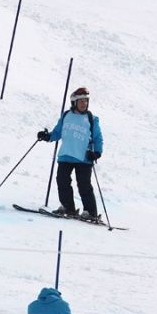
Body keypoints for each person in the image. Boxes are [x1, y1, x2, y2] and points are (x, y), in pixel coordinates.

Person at [37, 86, 103, 220]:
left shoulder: (91, 119)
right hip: (66, 155)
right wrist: (47, 136)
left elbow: (98, 138)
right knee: (62, 182)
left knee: (84, 185)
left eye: (86, 101)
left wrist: (97, 152)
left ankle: (90, 212)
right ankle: (68, 207)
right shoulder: (66, 116)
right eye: (81, 101)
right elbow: (57, 133)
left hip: (84, 158)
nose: (84, 104)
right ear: (74, 103)